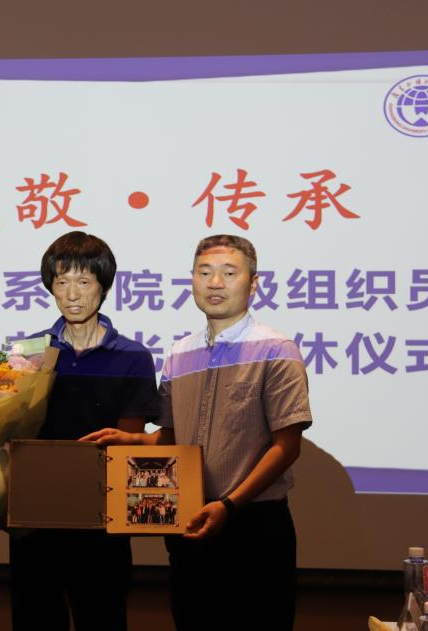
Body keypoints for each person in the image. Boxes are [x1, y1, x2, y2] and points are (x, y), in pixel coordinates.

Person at [83, 234, 313, 631]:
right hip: (189, 521)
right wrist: (132, 441)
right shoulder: (179, 353)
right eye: (204, 273)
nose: (215, 283)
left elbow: (287, 446)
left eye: (229, 273)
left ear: (253, 284)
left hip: (254, 526)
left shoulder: (276, 349)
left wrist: (229, 505)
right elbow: (172, 437)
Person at [8, 231, 161, 631]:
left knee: (103, 618)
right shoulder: (27, 353)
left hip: (101, 521)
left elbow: (127, 443)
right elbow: (10, 430)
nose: (72, 294)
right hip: (35, 518)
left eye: (84, 281)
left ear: (103, 286)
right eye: (61, 282)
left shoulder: (133, 357)